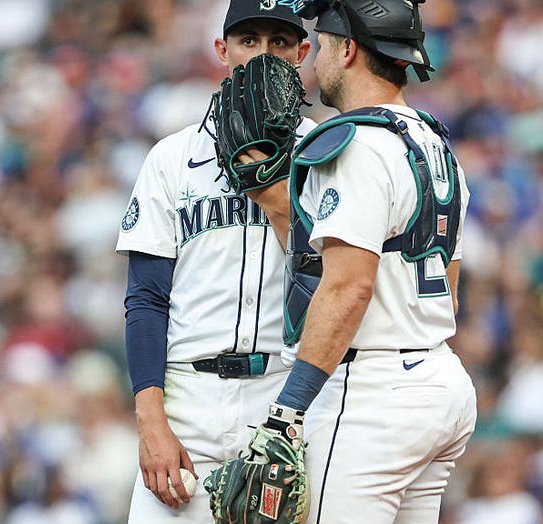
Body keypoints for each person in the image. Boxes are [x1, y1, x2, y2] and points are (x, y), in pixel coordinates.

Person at [251, 0, 479, 521]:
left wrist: (287, 410)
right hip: (438, 378)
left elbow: (348, 288)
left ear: (349, 49)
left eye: (324, 47)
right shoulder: (433, 141)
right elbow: (450, 281)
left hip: (373, 396)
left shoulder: (357, 145)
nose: (316, 61)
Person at [113, 0, 313, 520]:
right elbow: (146, 299)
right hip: (188, 400)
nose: (263, 55)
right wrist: (150, 420)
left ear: (302, 53)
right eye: (249, 41)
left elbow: (338, 279)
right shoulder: (172, 158)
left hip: (284, 396)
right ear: (223, 50)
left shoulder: (324, 151)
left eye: (279, 42)